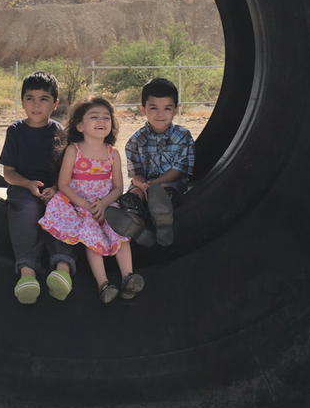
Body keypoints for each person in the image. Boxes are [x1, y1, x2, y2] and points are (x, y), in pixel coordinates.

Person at [39, 97, 144, 304]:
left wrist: (104, 204)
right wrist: (86, 206)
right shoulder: (74, 150)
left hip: (106, 203)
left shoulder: (112, 153)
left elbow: (117, 188)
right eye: (94, 117)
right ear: (80, 125)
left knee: (119, 232)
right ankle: (103, 284)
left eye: (106, 117)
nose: (101, 121)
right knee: (91, 235)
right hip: (79, 204)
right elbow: (64, 184)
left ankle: (128, 276)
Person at [0, 70, 77, 304]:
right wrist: (28, 184)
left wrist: (56, 188)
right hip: (24, 189)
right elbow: (9, 173)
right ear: (22, 102)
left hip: (56, 189)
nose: (36, 105)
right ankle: (27, 273)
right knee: (26, 211)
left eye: (44, 99)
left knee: (62, 210)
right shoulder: (15, 131)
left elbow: (69, 170)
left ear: (54, 104)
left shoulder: (61, 133)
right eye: (30, 98)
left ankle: (62, 269)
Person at [105, 77, 194, 247]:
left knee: (164, 192)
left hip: (170, 183)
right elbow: (136, 173)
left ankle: (162, 218)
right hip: (144, 184)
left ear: (176, 110)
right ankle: (136, 225)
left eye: (167, 108)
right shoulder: (135, 140)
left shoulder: (183, 136)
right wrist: (142, 186)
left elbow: (178, 170)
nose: (160, 114)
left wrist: (154, 186)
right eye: (153, 108)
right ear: (143, 109)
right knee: (132, 198)